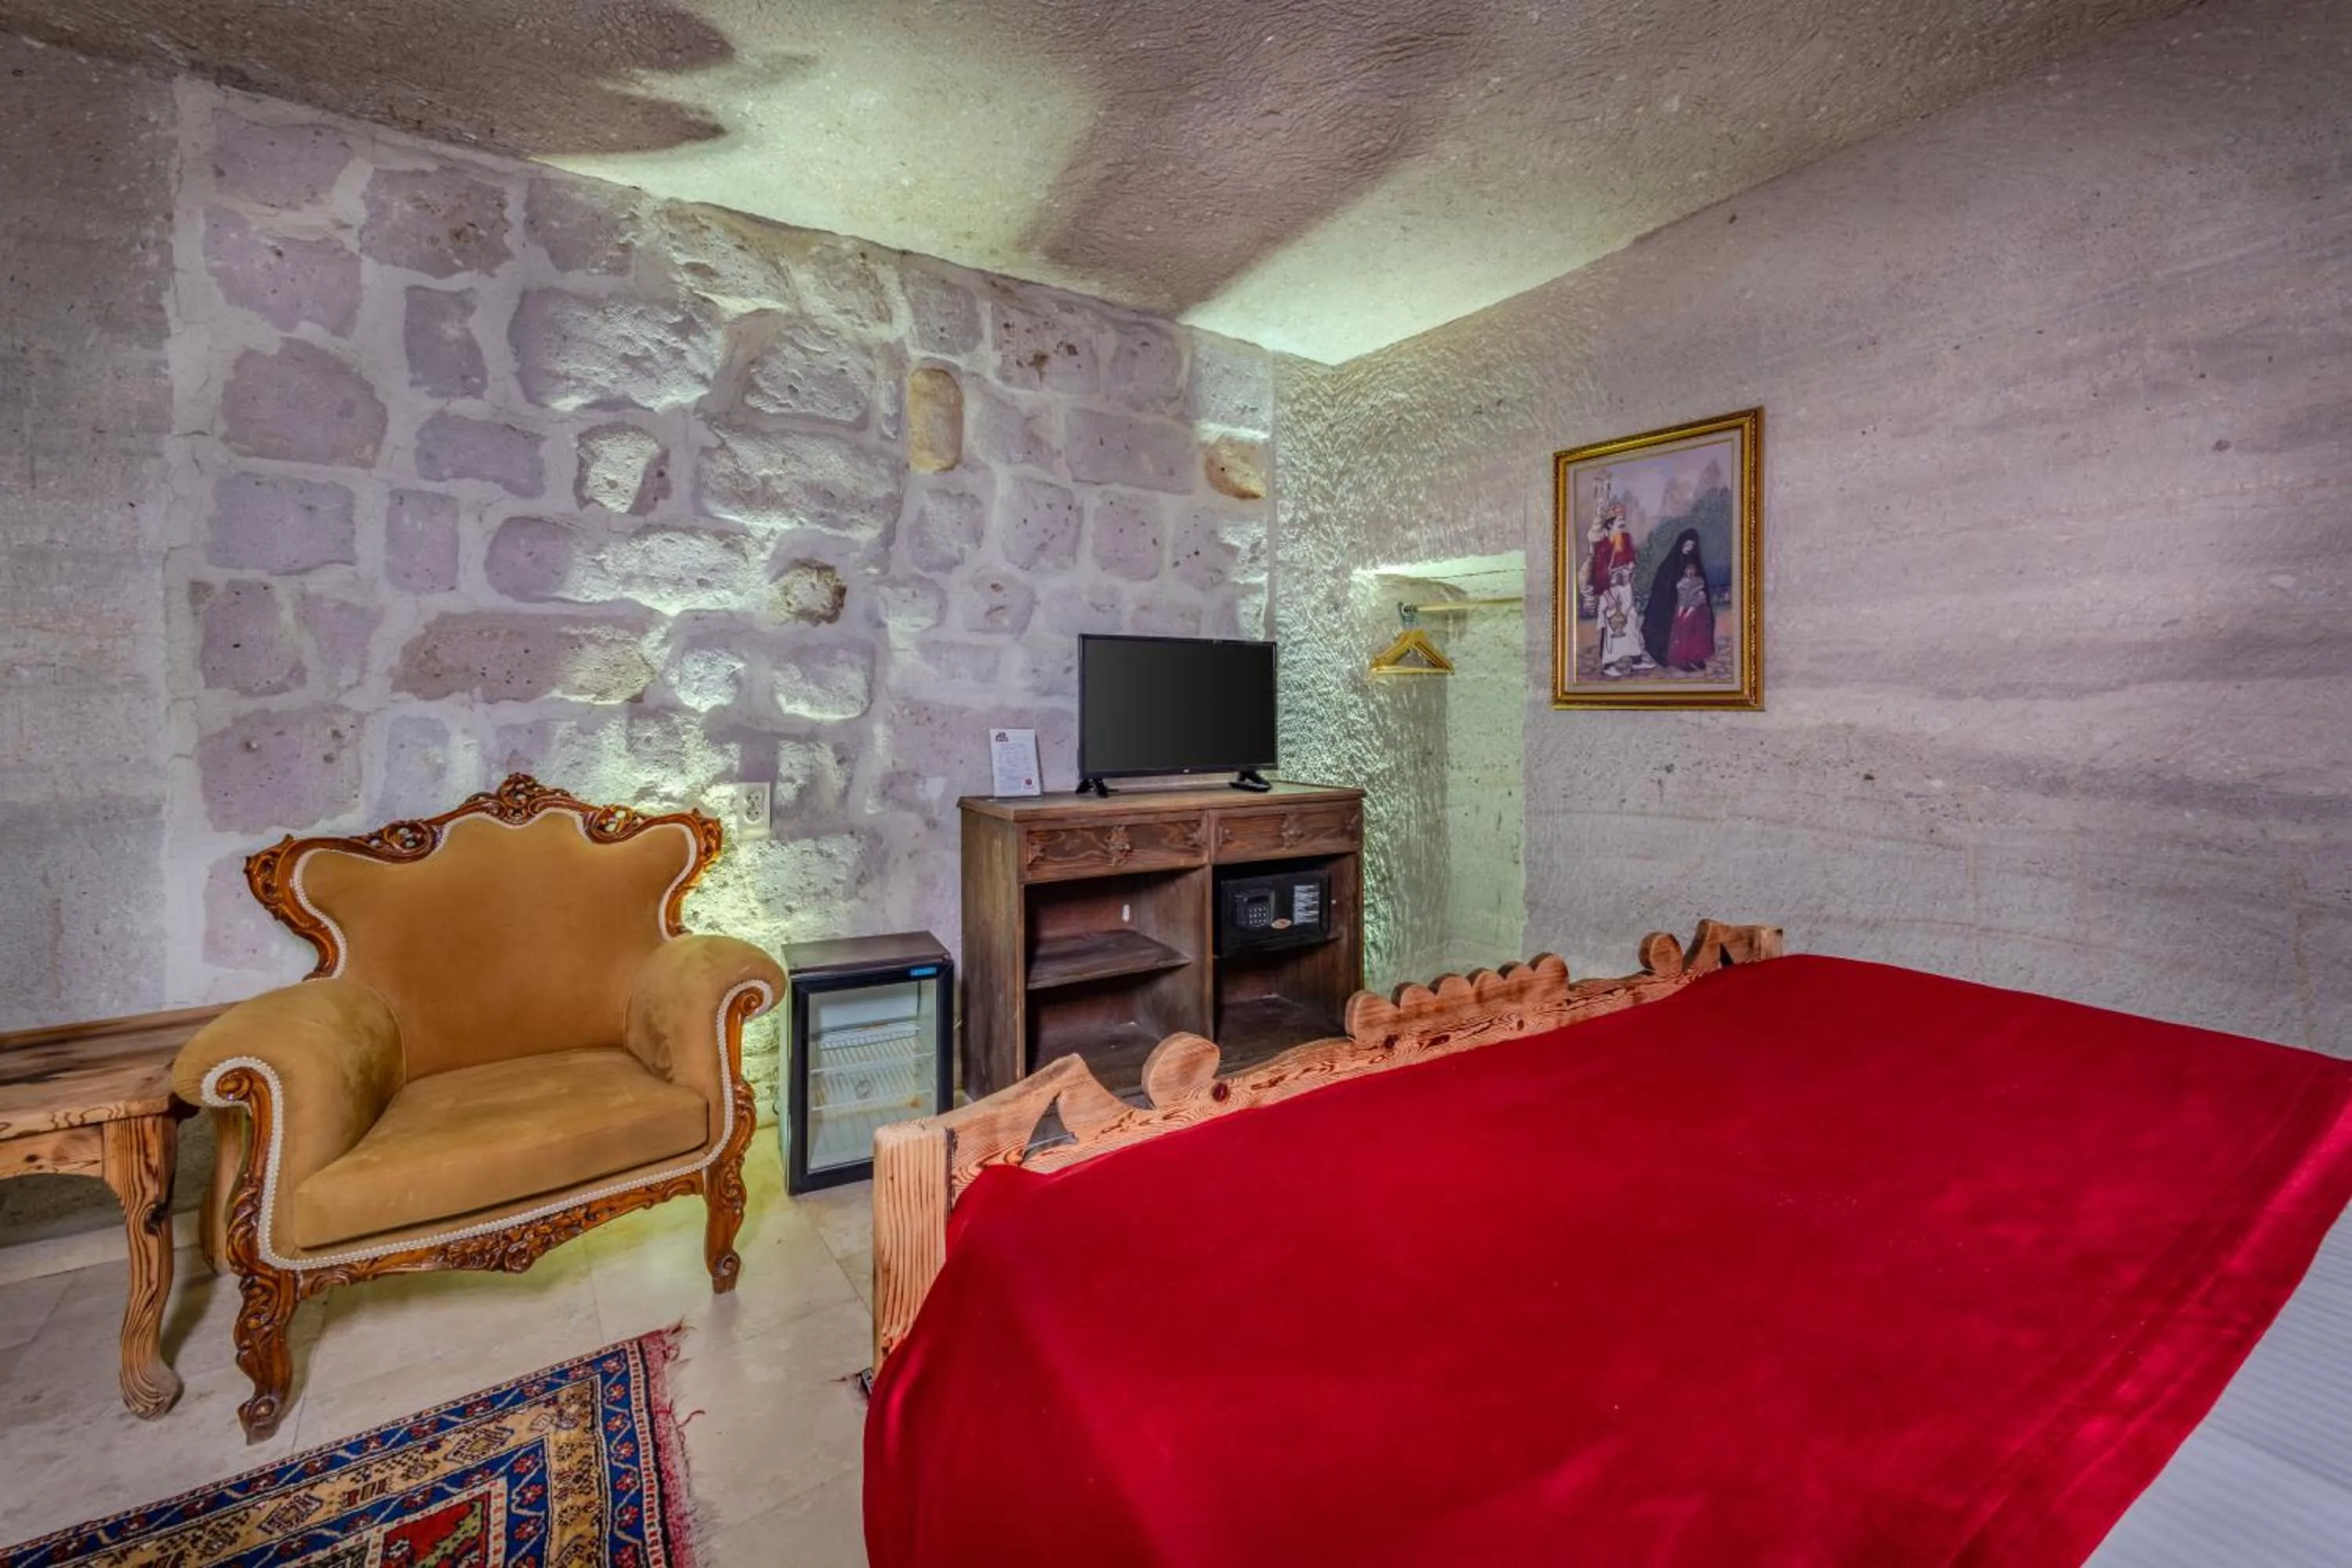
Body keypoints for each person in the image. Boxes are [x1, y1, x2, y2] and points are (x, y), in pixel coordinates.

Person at [1595, 506, 1655, 677]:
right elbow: (1599, 577)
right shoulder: (1602, 547)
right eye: (1619, 522)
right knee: (1613, 627)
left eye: (1623, 521)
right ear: (1609, 525)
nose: (1622, 525)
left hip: (1626, 589)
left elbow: (1631, 561)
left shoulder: (1626, 539)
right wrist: (1608, 597)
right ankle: (1608, 664)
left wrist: (1630, 568)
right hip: (1611, 591)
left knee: (1631, 623)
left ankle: (1636, 660)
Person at [1641, 528, 1710, 672]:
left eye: (1692, 546)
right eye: (1686, 545)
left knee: (1694, 631)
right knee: (1679, 631)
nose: (1689, 548)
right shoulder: (1669, 564)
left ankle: (1694, 656)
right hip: (1673, 608)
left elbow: (1701, 585)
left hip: (1694, 607)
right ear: (1681, 544)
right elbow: (1663, 589)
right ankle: (1677, 659)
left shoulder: (1695, 562)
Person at [1666, 558, 1715, 670]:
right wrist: (1681, 611)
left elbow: (1699, 597)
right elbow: (1682, 598)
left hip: (1697, 611)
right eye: (1688, 569)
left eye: (1692, 569)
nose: (1690, 572)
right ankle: (1682, 660)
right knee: (1682, 632)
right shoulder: (1681, 583)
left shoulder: (1699, 581)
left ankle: (1696, 658)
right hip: (1684, 609)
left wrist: (1690, 611)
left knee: (1697, 635)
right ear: (1685, 571)